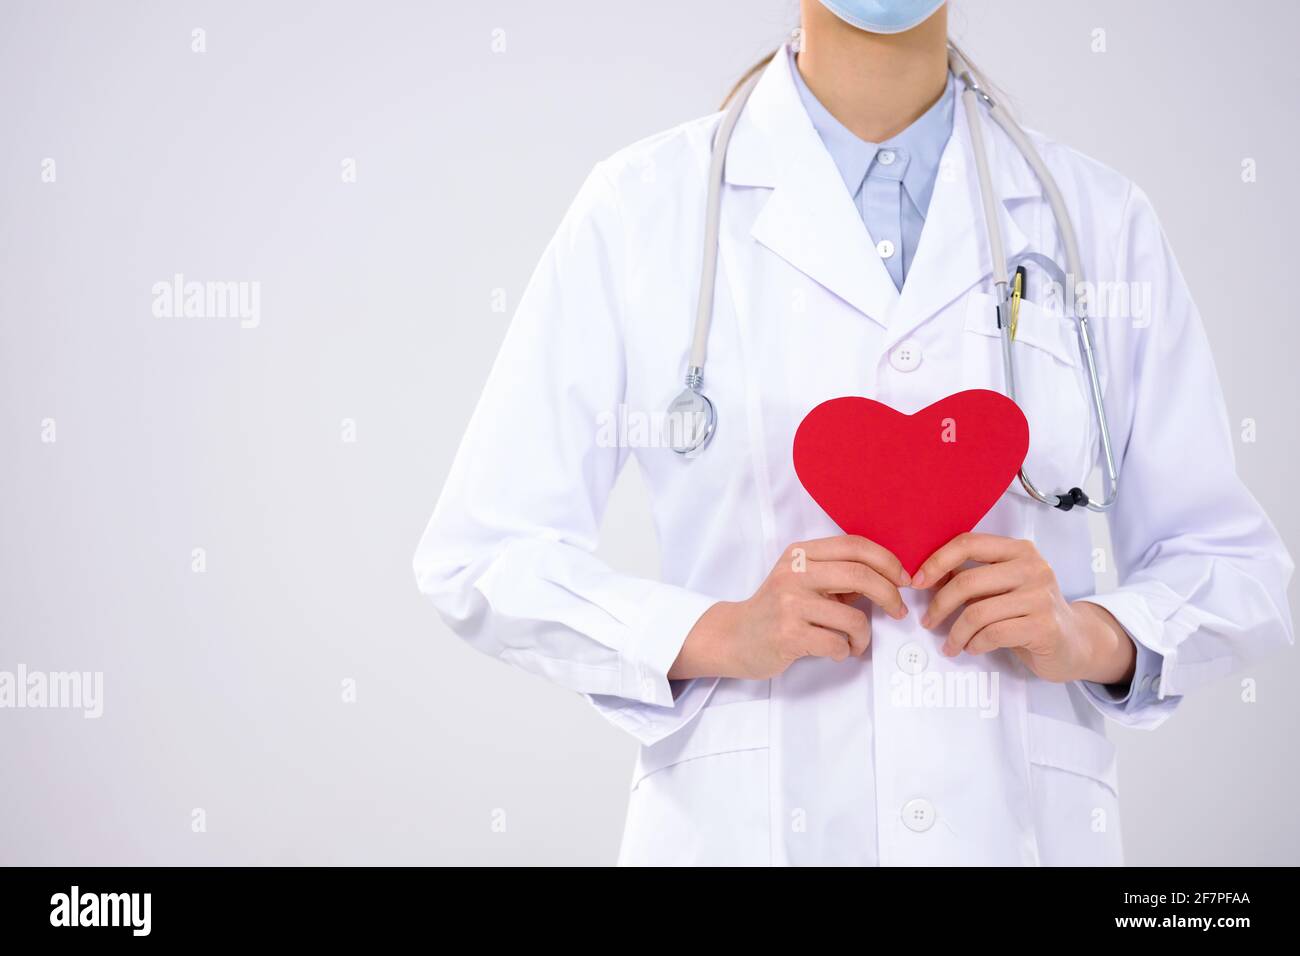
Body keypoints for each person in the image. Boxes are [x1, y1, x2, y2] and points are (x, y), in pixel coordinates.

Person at [413, 0, 1294, 865]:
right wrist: (715, 633)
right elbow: (484, 554)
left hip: (1016, 830)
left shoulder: (1096, 221)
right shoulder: (642, 209)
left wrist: (1088, 634)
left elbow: (1235, 568)